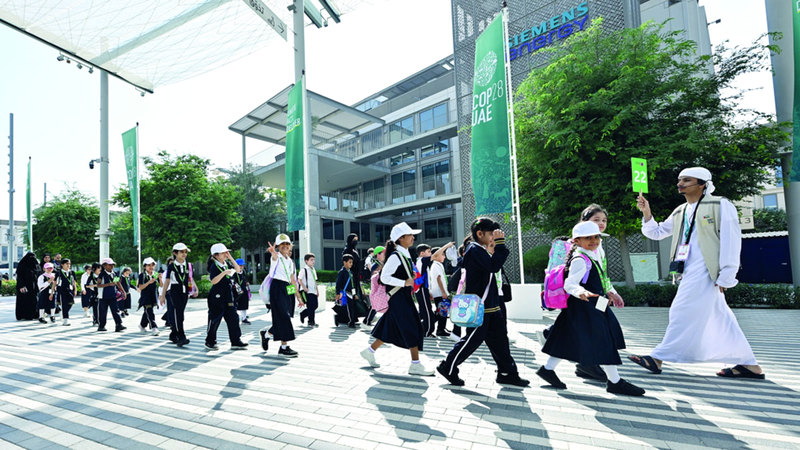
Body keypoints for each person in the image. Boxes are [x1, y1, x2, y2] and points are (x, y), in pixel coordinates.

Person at [630, 167, 764, 379]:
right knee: (722, 318)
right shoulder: (681, 210)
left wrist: (726, 276)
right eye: (679, 180)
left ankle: (657, 358)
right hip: (688, 271)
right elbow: (657, 232)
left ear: (702, 184)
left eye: (686, 180)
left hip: (708, 272)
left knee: (680, 310)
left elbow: (731, 240)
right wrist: (646, 213)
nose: (680, 184)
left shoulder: (720, 205)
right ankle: (749, 365)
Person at [536, 221, 644, 396]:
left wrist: (612, 293)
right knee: (604, 341)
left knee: (566, 340)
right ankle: (615, 381)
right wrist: (581, 292)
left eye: (596, 237)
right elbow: (570, 284)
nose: (594, 240)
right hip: (586, 308)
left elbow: (601, 279)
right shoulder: (580, 259)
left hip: (591, 306)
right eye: (588, 238)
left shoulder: (592, 255)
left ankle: (547, 370)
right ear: (577, 241)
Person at [437, 218, 529, 387]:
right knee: (471, 341)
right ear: (480, 234)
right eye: (492, 234)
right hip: (481, 307)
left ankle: (507, 373)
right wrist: (500, 245)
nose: (494, 238)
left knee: (500, 342)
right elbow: (493, 266)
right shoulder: (474, 250)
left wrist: (497, 246)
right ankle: (448, 366)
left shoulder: (479, 250)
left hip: (491, 306)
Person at [360, 223, 435, 376]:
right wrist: (404, 282)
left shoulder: (403, 254)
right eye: (410, 235)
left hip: (402, 297)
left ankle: (369, 351)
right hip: (398, 298)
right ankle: (415, 365)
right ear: (401, 238)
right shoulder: (396, 256)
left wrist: (408, 280)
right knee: (413, 327)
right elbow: (384, 277)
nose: (413, 237)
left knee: (390, 327)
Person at [259, 234, 300, 357]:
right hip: (277, 288)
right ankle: (284, 347)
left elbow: (292, 279)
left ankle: (267, 334)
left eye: (287, 244)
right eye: (282, 244)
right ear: (277, 246)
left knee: (283, 317)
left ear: (290, 246)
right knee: (284, 317)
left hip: (287, 288)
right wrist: (273, 253)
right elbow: (274, 258)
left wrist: (298, 297)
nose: (285, 246)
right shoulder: (276, 257)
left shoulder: (290, 261)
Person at [205, 244, 248, 351]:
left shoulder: (227, 264)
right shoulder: (214, 266)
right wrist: (224, 273)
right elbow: (213, 281)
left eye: (226, 252)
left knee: (233, 318)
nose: (225, 254)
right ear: (216, 255)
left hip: (229, 295)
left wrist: (231, 258)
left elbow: (237, 270)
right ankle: (210, 341)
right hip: (217, 296)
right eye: (223, 253)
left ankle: (236, 341)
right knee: (215, 319)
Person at [160, 244, 191, 347]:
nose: (184, 254)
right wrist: (163, 295)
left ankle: (173, 334)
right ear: (175, 253)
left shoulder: (188, 265)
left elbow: (189, 278)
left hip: (184, 291)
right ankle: (181, 336)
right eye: (181, 252)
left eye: (185, 252)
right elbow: (167, 280)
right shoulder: (172, 266)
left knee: (180, 314)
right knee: (178, 314)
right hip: (174, 290)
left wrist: (193, 289)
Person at [96, 258, 126, 332]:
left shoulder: (114, 273)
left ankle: (119, 325)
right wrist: (108, 284)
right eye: (109, 265)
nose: (112, 266)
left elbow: (118, 283)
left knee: (116, 310)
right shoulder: (102, 274)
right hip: (103, 296)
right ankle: (101, 326)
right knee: (103, 312)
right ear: (104, 266)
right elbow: (98, 285)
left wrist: (123, 291)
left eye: (113, 264)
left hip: (113, 295)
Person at [137, 257, 160, 336]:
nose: (151, 267)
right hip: (145, 297)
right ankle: (154, 327)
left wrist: (160, 279)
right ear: (144, 267)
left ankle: (142, 325)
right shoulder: (142, 275)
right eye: (148, 265)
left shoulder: (155, 274)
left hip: (153, 296)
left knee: (147, 311)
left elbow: (161, 285)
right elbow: (140, 287)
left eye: (152, 265)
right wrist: (149, 282)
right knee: (150, 312)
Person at [333, 254, 358, 328]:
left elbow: (353, 284)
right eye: (350, 262)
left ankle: (339, 318)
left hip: (350, 293)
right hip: (344, 293)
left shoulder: (351, 272)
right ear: (344, 262)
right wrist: (338, 293)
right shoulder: (342, 272)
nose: (351, 264)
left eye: (352, 262)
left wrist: (354, 294)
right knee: (347, 307)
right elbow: (338, 283)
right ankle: (351, 322)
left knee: (348, 308)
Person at [15, 252, 39, 321]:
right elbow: (19, 277)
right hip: (25, 286)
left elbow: (39, 274)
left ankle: (34, 314)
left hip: (34, 287)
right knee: (24, 301)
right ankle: (24, 315)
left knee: (34, 300)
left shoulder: (36, 265)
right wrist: (21, 286)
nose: (32, 259)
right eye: (30, 257)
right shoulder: (22, 265)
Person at [298, 253, 319, 328]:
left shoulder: (313, 269)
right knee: (311, 306)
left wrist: (317, 290)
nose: (313, 261)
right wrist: (304, 287)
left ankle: (303, 314)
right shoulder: (304, 270)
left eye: (314, 260)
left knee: (315, 305)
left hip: (313, 291)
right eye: (311, 260)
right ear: (306, 261)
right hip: (307, 291)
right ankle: (311, 322)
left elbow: (315, 281)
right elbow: (299, 279)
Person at [54, 258, 77, 326]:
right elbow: (55, 282)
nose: (68, 265)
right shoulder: (59, 272)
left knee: (70, 303)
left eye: (69, 264)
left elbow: (74, 282)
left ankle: (63, 312)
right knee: (64, 304)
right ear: (62, 264)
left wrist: (75, 289)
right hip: (61, 290)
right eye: (67, 264)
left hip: (70, 289)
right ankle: (65, 320)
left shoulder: (72, 272)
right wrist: (52, 292)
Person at [233, 258, 251, 324]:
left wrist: (246, 283)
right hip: (236, 291)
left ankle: (244, 318)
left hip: (244, 290)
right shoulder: (233, 273)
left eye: (242, 265)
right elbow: (233, 282)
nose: (241, 267)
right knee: (235, 305)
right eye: (240, 265)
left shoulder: (243, 272)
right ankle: (234, 317)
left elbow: (244, 279)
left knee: (244, 304)